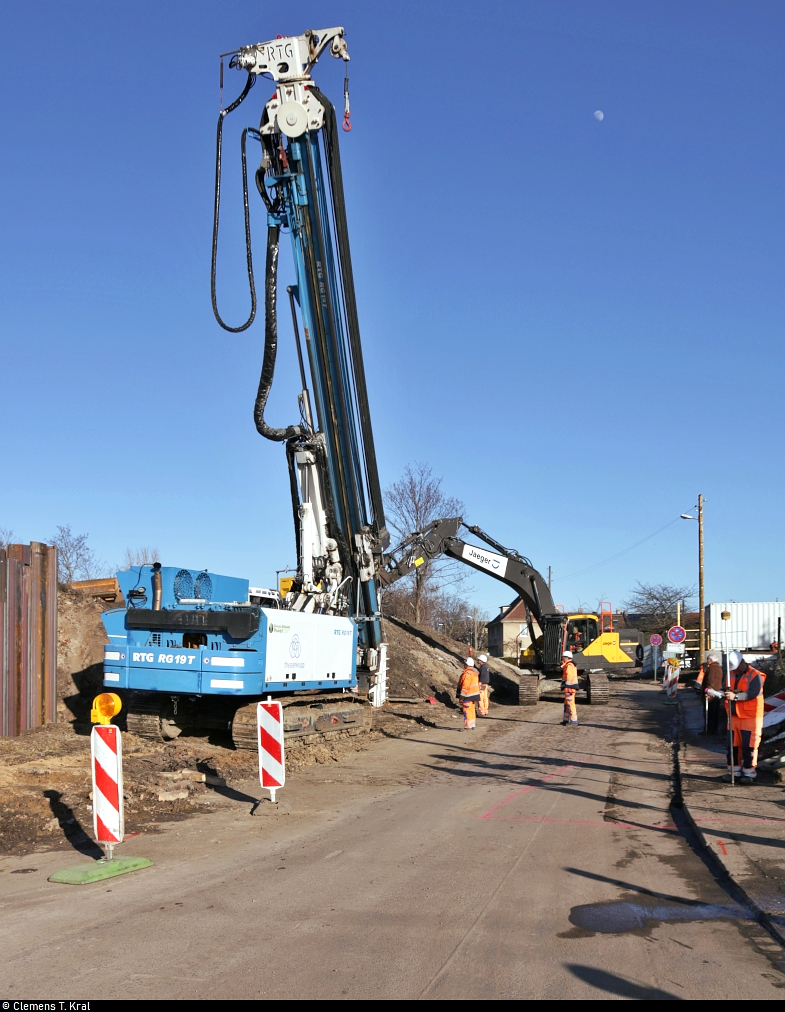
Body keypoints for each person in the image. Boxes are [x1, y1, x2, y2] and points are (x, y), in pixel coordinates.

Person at [724, 650, 766, 783]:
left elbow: (752, 694)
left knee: (749, 746)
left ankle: (749, 773)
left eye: (736, 668)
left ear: (742, 663)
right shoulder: (729, 674)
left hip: (750, 717)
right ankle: (734, 771)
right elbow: (724, 689)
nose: (734, 671)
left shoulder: (755, 675)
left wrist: (735, 696)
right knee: (732, 746)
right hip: (733, 716)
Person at [457, 658, 481, 730]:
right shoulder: (474, 673)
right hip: (473, 695)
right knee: (471, 710)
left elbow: (465, 686)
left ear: (467, 665)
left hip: (467, 695)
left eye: (465, 664)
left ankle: (468, 725)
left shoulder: (467, 674)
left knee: (466, 710)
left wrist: (461, 696)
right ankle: (472, 724)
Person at [703, 652, 724, 735]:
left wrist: (708, 690)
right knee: (715, 712)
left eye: (708, 659)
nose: (707, 661)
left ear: (710, 660)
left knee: (710, 713)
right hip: (717, 693)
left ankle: (709, 730)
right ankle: (714, 729)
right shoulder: (719, 667)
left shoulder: (712, 667)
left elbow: (710, 680)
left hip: (711, 694)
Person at [561, 650, 579, 726]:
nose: (562, 659)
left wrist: (566, 686)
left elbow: (569, 677)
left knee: (570, 704)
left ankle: (573, 720)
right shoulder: (568, 665)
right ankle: (566, 719)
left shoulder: (569, 666)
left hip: (570, 688)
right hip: (569, 688)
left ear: (567, 657)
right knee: (567, 704)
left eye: (563, 658)